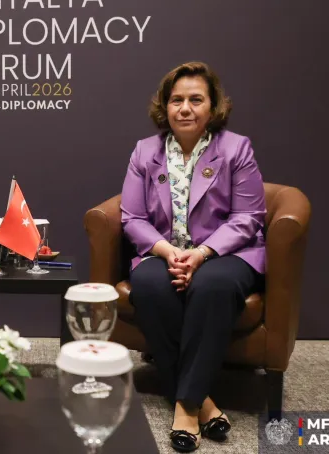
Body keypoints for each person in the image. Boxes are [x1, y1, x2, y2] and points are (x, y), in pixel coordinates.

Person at [120, 62, 266, 452]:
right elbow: (132, 218)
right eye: (176, 100)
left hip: (225, 252)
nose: (185, 108)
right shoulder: (145, 151)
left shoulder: (236, 148)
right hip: (165, 251)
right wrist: (169, 252)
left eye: (196, 99)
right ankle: (204, 403)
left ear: (212, 106)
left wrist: (201, 253)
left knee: (212, 285)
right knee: (148, 284)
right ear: (165, 106)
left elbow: (248, 216)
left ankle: (184, 407)